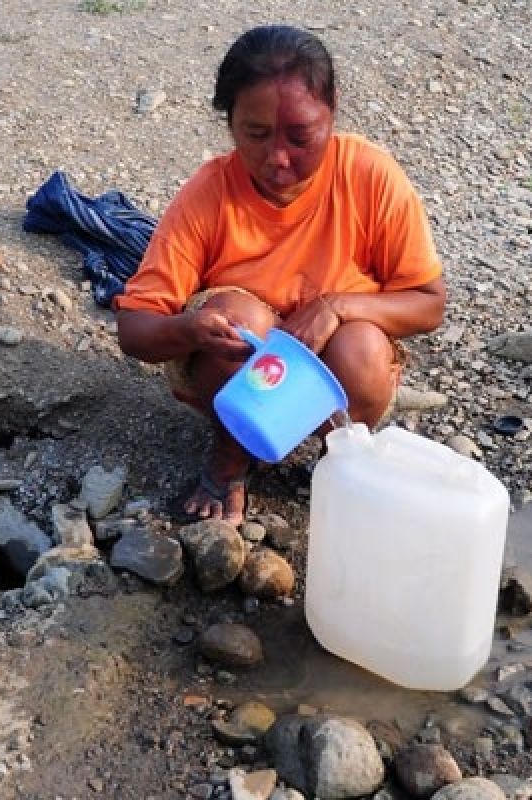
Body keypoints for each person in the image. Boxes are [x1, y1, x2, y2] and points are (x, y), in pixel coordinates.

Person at [114, 24, 446, 526]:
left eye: (301, 136)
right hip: (237, 379)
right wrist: (189, 329)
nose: (278, 159)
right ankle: (228, 461)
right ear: (230, 125)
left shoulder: (370, 175)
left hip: (341, 377)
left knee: (361, 346)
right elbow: (134, 328)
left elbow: (428, 303)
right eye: (256, 134)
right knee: (235, 313)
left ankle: (341, 462)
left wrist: (336, 306)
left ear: (331, 115)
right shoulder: (210, 192)